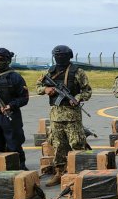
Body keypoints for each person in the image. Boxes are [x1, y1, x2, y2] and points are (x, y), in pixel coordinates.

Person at [36, 45, 92, 186]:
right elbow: (38, 87)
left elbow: (87, 91)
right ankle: (60, 173)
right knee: (59, 146)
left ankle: (81, 173)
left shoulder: (78, 72)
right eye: (57, 55)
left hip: (72, 115)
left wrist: (78, 97)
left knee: (77, 143)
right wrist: (46, 89)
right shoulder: (50, 71)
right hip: (56, 115)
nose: (60, 58)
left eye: (62, 55)